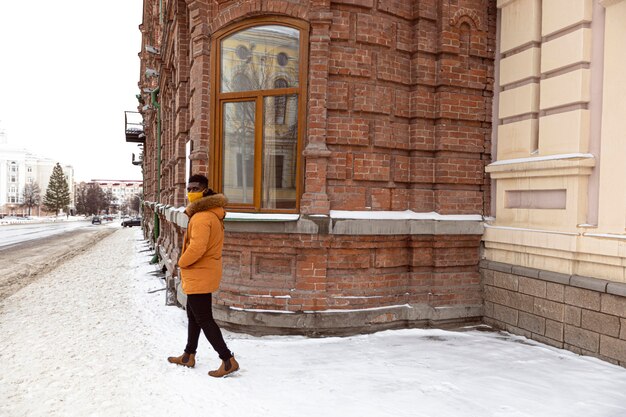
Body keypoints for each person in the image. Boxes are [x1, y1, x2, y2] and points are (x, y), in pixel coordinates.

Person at [167, 174, 239, 378]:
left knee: (204, 319)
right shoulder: (209, 214)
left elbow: (197, 248)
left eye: (195, 188)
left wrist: (181, 262)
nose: (191, 192)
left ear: (205, 190)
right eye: (188, 189)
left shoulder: (202, 217)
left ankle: (227, 359)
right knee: (193, 315)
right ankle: (189, 355)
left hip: (200, 272)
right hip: (203, 272)